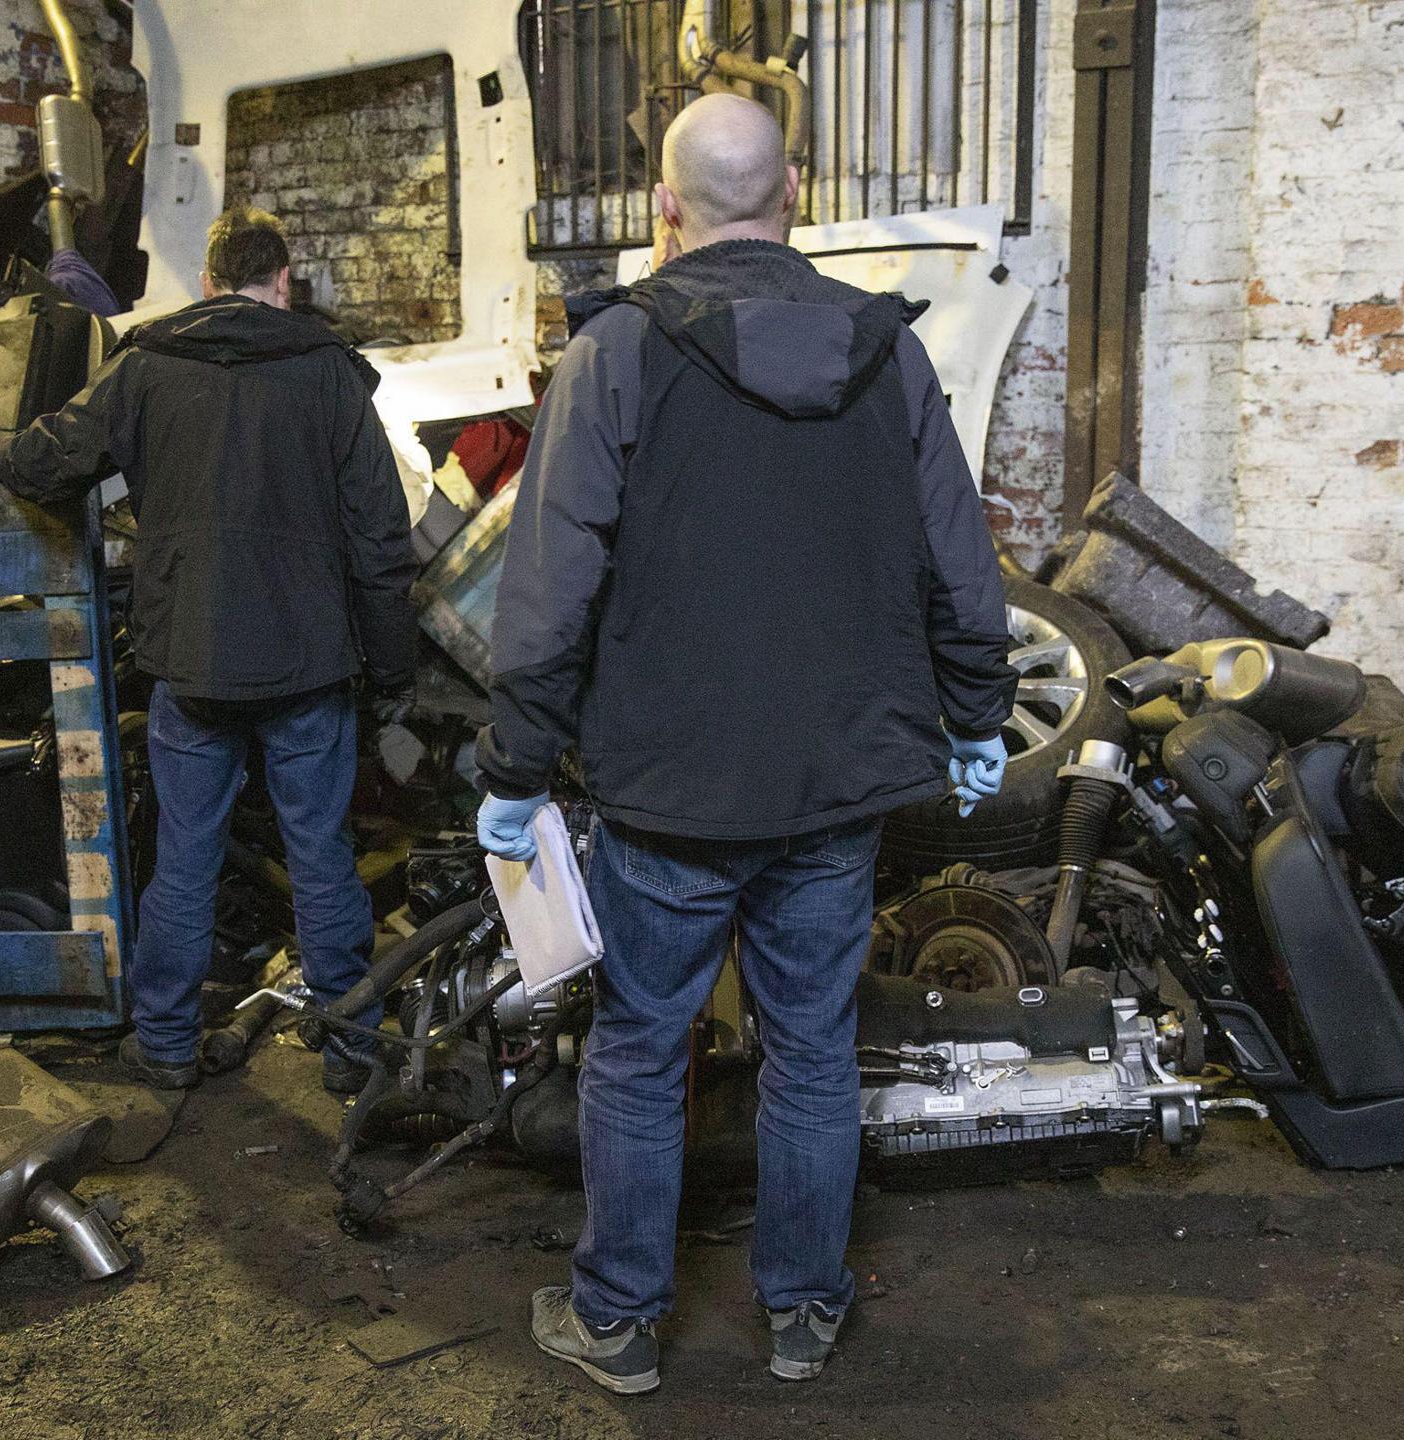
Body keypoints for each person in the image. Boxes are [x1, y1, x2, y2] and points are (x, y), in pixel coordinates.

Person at [474, 93, 1017, 1393]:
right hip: (834, 792)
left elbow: (546, 594)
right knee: (812, 1054)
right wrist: (980, 716)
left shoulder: (619, 356)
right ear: (798, 192)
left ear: (665, 210)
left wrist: (513, 769)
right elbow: (964, 565)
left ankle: (616, 1323)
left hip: (665, 792)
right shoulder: (887, 353)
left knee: (644, 1050)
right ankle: (805, 1315)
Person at [0, 205, 416, 1095]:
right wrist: (393, 666)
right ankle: (353, 1052)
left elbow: (41, 463)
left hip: (190, 658)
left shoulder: (146, 367)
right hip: (309, 665)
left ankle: (168, 1044)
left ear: (211, 281)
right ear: (284, 281)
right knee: (322, 856)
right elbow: (382, 536)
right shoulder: (330, 376)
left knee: (185, 856)